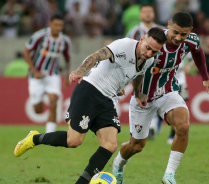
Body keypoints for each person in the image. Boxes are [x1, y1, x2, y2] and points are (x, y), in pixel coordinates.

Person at [13, 27, 167, 184]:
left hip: (108, 100)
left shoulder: (149, 60)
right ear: (142, 40)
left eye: (154, 52)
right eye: (148, 48)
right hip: (90, 90)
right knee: (74, 141)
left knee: (110, 145)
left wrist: (137, 93)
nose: (149, 53)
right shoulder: (124, 45)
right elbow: (97, 56)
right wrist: (81, 70)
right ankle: (34, 138)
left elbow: (138, 75)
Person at [112, 12, 209, 184]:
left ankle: (169, 176)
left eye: (183, 34)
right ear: (168, 24)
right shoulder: (154, 42)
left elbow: (198, 52)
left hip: (168, 91)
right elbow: (132, 62)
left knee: (183, 126)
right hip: (142, 97)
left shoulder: (192, 40)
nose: (178, 37)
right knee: (136, 146)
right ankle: (118, 166)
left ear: (190, 31)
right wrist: (126, 87)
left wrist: (205, 78)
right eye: (175, 32)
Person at [23, 14, 72, 133]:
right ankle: (40, 95)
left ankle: (49, 135)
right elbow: (26, 51)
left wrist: (66, 76)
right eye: (56, 25)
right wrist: (34, 70)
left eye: (60, 25)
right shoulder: (40, 36)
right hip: (37, 76)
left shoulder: (65, 41)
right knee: (38, 110)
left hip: (53, 74)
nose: (58, 27)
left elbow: (67, 58)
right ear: (50, 24)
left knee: (54, 100)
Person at [125, 3, 166, 140]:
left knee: (155, 96)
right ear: (140, 15)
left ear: (153, 14)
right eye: (145, 12)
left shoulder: (162, 31)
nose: (148, 14)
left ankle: (152, 126)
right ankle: (143, 127)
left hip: (158, 70)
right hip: (139, 69)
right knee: (141, 96)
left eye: (150, 11)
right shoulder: (134, 32)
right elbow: (127, 48)